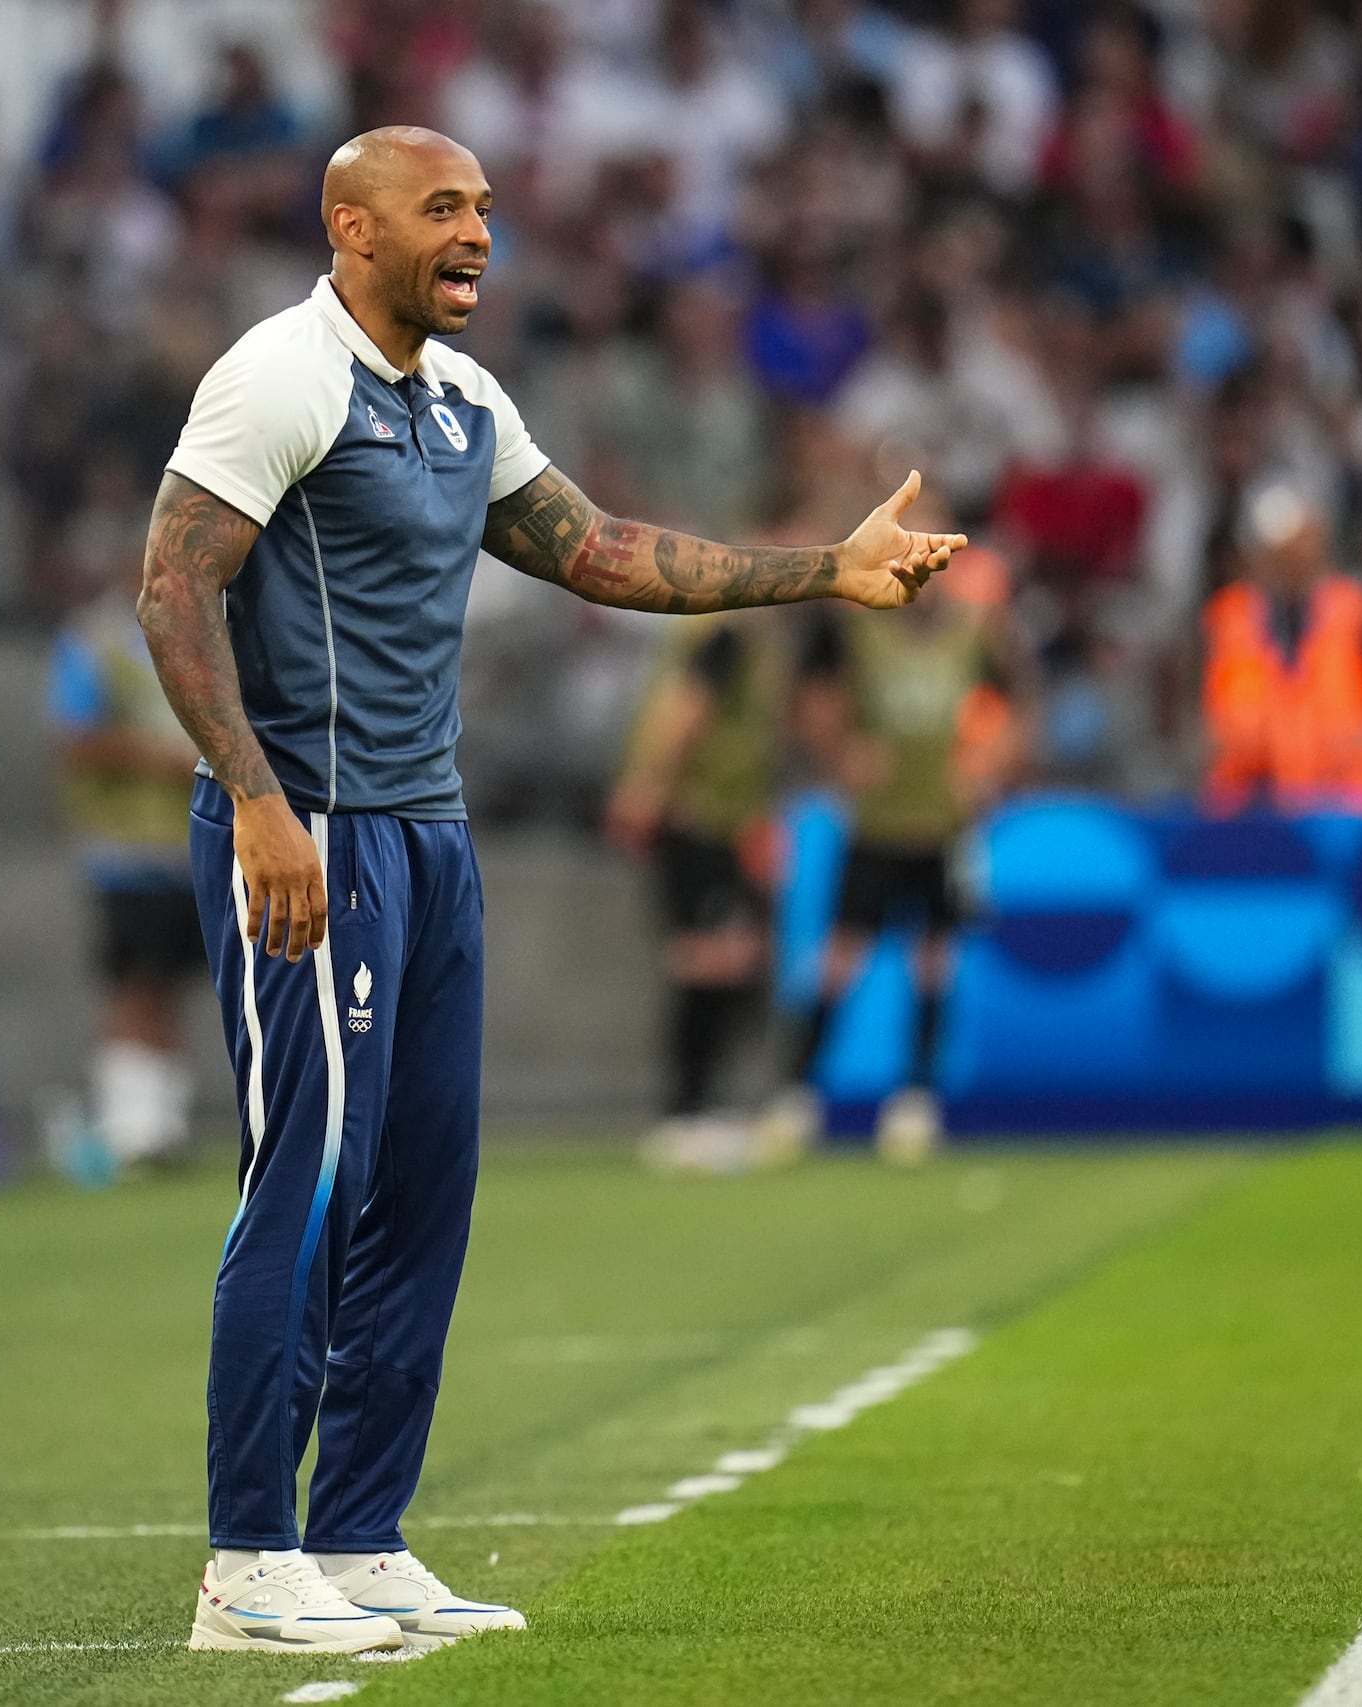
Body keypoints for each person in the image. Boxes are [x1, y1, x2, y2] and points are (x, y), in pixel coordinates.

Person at [138, 126, 963, 1654]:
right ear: (350, 226)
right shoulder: (279, 375)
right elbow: (172, 584)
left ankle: (360, 1533)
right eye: (441, 209)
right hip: (310, 827)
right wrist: (255, 801)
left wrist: (827, 570)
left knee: (422, 1189)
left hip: (427, 833)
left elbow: (601, 552)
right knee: (306, 1183)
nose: (476, 234)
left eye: (485, 210)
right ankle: (248, 1559)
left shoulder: (463, 397)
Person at [768, 576, 1021, 1165]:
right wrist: (839, 756)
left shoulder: (972, 633)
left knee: (934, 963)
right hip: (876, 828)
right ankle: (798, 1096)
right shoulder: (858, 631)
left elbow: (1016, 704)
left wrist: (988, 767)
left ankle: (915, 1100)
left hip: (942, 828)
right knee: (840, 962)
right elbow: (807, 698)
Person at [606, 611, 789, 1169]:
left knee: (731, 959)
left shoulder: (723, 634)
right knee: (707, 960)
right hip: (700, 816)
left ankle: (700, 1106)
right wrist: (648, 787)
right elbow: (686, 708)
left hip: (726, 820)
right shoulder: (725, 633)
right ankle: (684, 1114)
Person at [48, 543, 203, 1167]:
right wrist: (160, 758)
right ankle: (128, 1124)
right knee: (135, 982)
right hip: (126, 850)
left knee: (176, 982)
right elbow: (75, 739)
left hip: (193, 846)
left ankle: (162, 1123)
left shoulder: (202, 630)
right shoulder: (92, 641)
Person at [1201, 486, 1362, 815]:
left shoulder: (1358, 611)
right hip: (1250, 805)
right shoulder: (1228, 618)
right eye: (1282, 548)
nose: (1296, 556)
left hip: (1348, 805)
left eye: (1303, 542)